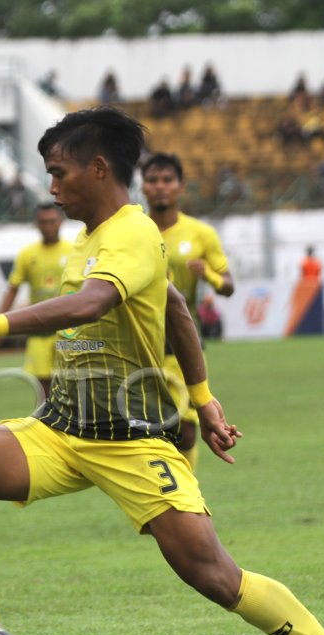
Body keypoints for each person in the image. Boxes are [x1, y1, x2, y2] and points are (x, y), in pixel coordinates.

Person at [0, 107, 324, 635]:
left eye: (58, 172)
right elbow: (175, 305)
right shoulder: (92, 237)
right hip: (62, 430)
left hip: (131, 439)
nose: (51, 188)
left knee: (214, 576)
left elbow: (88, 306)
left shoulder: (131, 232)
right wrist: (204, 399)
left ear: (98, 168)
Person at [141, 152, 234, 471]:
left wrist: (208, 274)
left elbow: (228, 286)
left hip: (181, 339)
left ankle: (184, 497)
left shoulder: (200, 233)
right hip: (139, 341)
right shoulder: (133, 231)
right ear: (142, 187)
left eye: (167, 180)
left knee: (185, 426)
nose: (160, 187)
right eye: (152, 180)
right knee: (144, 429)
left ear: (181, 186)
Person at [0, 203, 73, 399]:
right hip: (39, 331)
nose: (48, 226)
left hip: (68, 331)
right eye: (43, 222)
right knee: (44, 391)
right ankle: (46, 425)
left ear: (61, 222)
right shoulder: (27, 254)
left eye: (52, 221)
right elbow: (12, 289)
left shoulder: (74, 251)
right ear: (36, 224)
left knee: (71, 385)